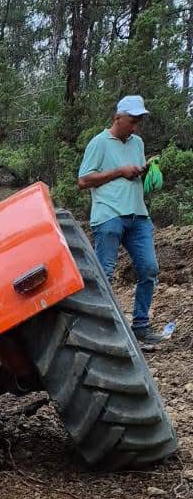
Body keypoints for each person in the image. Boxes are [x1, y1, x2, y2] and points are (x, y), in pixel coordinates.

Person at [77, 95, 163, 350]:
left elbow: (132, 172)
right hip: (108, 215)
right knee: (104, 274)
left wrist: (145, 170)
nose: (135, 127)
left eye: (138, 121)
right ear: (118, 117)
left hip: (138, 214)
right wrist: (119, 171)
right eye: (132, 121)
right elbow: (83, 181)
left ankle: (140, 327)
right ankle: (102, 331)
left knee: (149, 268)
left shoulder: (138, 142)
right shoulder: (99, 143)